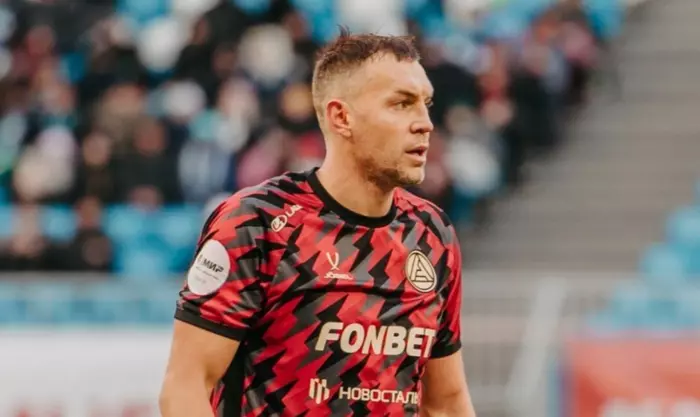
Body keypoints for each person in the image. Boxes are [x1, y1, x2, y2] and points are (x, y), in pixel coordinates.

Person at [159, 29, 476, 417]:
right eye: (401, 104)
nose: (425, 123)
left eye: (425, 104)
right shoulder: (258, 223)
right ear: (341, 117)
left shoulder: (432, 233)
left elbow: (446, 404)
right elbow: (185, 387)